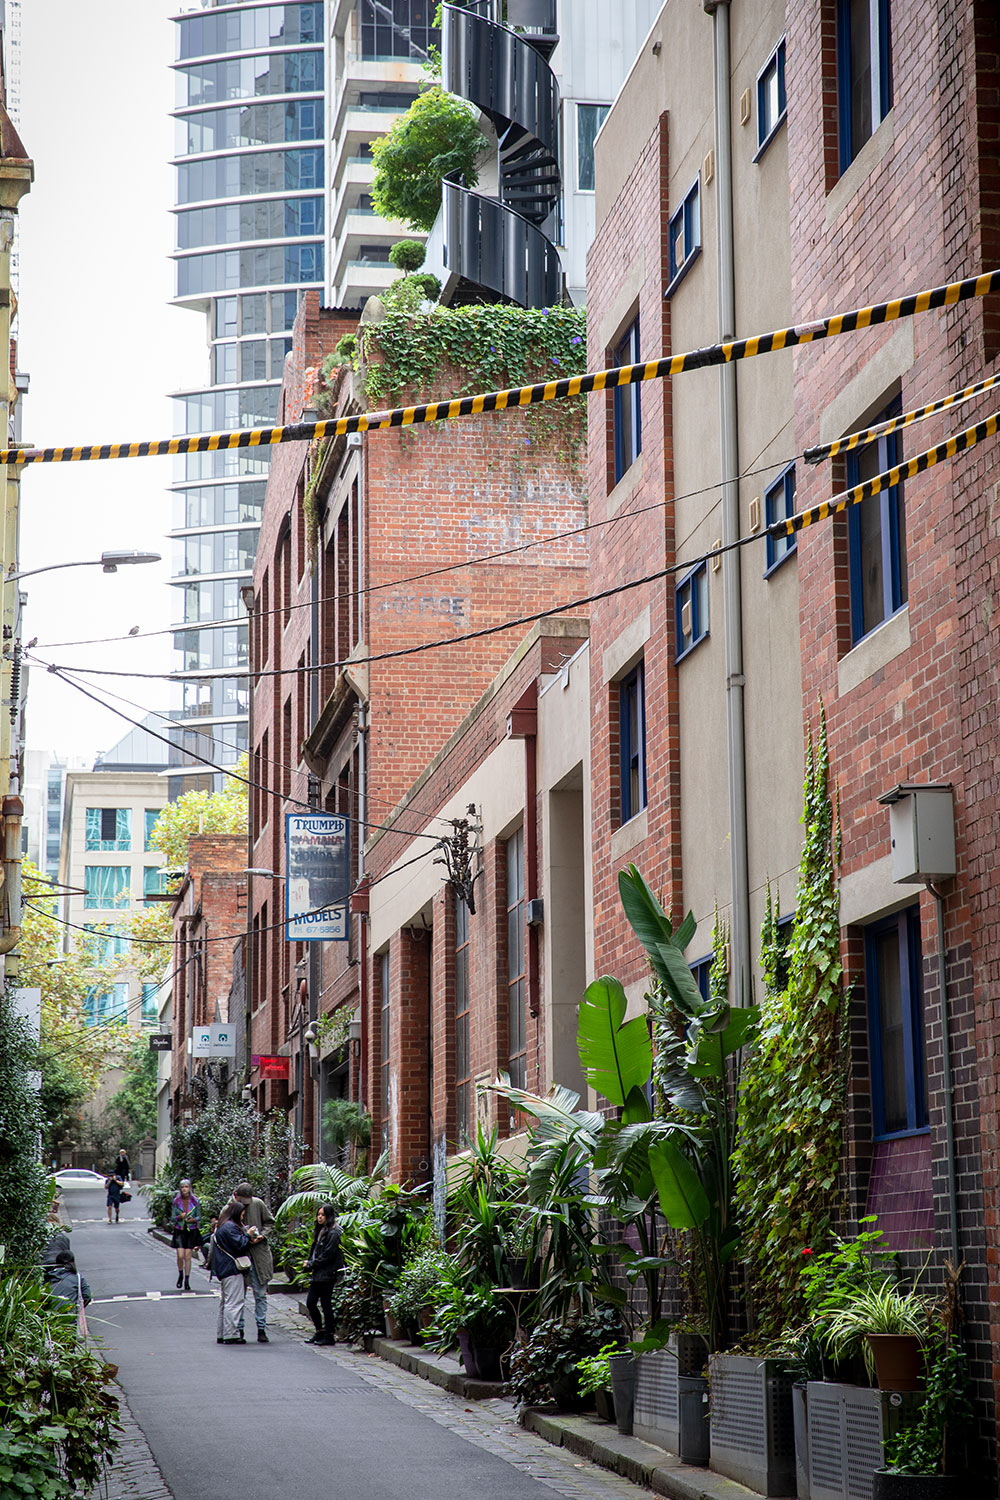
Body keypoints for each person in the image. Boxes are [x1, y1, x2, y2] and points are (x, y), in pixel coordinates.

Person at [231, 1181, 275, 1344]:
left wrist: (262, 1235)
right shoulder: (231, 1207)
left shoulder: (258, 1204)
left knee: (260, 1293)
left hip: (258, 1255)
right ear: (237, 1196)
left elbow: (270, 1222)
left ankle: (261, 1328)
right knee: (239, 1295)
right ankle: (239, 1329)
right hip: (241, 1256)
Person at [212, 1201, 252, 1345]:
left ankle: (222, 1333)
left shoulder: (222, 1225)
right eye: (242, 1214)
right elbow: (239, 1244)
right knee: (233, 1302)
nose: (243, 1217)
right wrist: (248, 1235)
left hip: (224, 1268)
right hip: (232, 1268)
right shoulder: (230, 1227)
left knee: (226, 1302)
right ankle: (231, 1334)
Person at [303, 1202, 344, 1346]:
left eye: (323, 1215)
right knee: (311, 1303)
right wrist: (309, 1263)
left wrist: (311, 1264)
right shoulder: (320, 1231)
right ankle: (319, 1331)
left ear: (329, 1216)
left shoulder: (333, 1233)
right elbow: (314, 1251)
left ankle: (329, 1335)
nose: (320, 1218)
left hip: (327, 1274)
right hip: (318, 1273)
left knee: (326, 1305)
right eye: (318, 1215)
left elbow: (328, 1255)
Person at [170, 1179, 202, 1291]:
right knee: (180, 1255)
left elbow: (199, 1216)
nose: (184, 1189)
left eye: (186, 1187)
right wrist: (179, 1217)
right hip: (180, 1230)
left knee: (188, 1255)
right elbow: (172, 1217)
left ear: (190, 1188)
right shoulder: (176, 1201)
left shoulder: (195, 1201)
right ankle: (180, 1273)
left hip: (190, 1230)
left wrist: (193, 1219)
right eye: (182, 1187)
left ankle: (187, 1279)